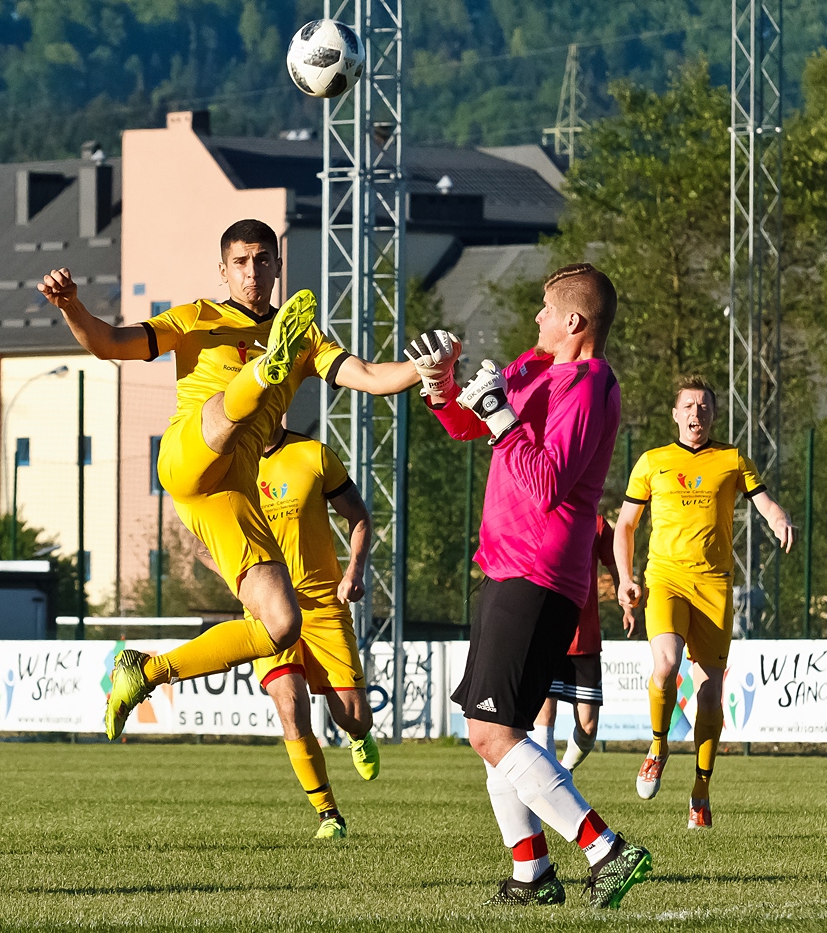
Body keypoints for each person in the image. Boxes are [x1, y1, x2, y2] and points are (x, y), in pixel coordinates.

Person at [37, 219, 425, 740]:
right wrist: (70, 306)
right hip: (189, 454)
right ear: (223, 270)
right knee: (227, 410)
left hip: (228, 494)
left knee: (281, 624)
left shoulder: (305, 338)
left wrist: (426, 366)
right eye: (240, 262)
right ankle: (263, 372)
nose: (252, 271)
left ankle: (146, 671)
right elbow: (108, 342)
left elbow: (376, 379)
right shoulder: (197, 318)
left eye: (262, 260)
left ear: (277, 267)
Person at [414, 263, 651, 909]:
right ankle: (533, 875)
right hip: (508, 565)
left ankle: (607, 848)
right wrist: (443, 387)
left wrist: (498, 413)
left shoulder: (591, 382)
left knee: (492, 732)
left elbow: (546, 482)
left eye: (546, 309)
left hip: (540, 570)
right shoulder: (536, 366)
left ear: (574, 321)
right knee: (495, 730)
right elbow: (472, 423)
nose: (537, 319)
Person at [613, 373, 795, 830]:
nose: (697, 413)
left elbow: (764, 501)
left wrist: (777, 516)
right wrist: (624, 578)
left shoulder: (732, 460)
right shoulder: (652, 462)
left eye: (704, 406)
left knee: (711, 696)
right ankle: (657, 746)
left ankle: (700, 791)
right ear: (675, 414)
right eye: (689, 406)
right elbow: (626, 526)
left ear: (714, 414)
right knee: (667, 663)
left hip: (714, 585)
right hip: (667, 579)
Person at [191, 419, 379, 840]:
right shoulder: (226, 469)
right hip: (267, 612)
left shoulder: (313, 455)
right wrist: (242, 580)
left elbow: (359, 517)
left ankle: (359, 735)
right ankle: (328, 814)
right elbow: (204, 546)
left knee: (352, 717)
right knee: (290, 706)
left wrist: (354, 571)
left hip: (322, 606)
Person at [529, 514, 618, 772]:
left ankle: (563, 772)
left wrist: (627, 605)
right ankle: (548, 785)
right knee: (544, 716)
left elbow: (616, 568)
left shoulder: (598, 523)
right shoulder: (542, 516)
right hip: (547, 634)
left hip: (585, 639)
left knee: (588, 728)